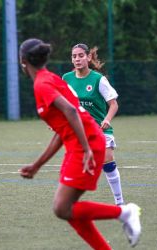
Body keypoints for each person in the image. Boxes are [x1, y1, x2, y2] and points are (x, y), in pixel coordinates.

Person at [18, 38, 141, 249]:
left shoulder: (43, 85)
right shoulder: (53, 79)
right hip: (80, 144)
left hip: (87, 144)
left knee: (62, 208)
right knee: (67, 209)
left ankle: (124, 212)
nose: (76, 59)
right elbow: (62, 129)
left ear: (23, 61)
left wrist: (86, 149)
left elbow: (71, 111)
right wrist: (37, 165)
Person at [62, 44, 124, 205]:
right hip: (78, 130)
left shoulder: (98, 79)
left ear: (88, 57)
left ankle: (119, 202)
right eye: (74, 56)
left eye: (81, 55)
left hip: (100, 129)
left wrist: (107, 119)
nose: (77, 59)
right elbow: (64, 104)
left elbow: (114, 104)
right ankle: (70, 202)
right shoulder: (66, 79)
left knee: (108, 162)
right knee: (75, 168)